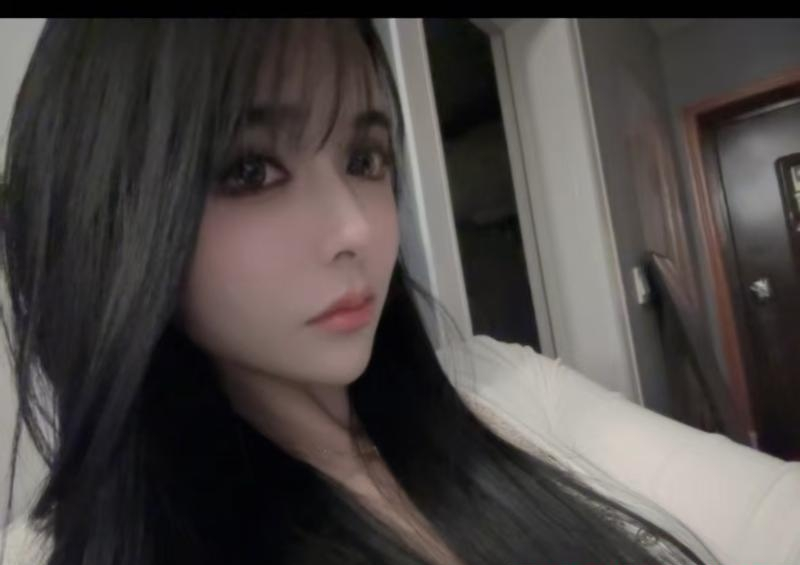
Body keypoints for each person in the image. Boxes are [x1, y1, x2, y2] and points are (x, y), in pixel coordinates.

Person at [1, 19, 798, 565]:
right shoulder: (60, 551)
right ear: (115, 214)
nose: (357, 226)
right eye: (251, 169)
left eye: (365, 158)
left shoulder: (506, 390)